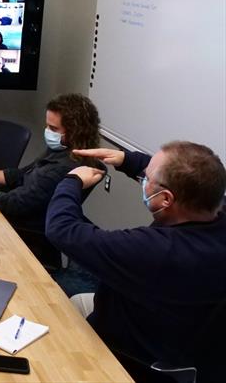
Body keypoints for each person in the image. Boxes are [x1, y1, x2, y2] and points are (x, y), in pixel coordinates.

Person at [45, 142, 226, 380]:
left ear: (166, 199)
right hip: (180, 331)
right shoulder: (213, 214)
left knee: (51, 321)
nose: (143, 179)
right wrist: (126, 159)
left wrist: (72, 181)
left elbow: (61, 229)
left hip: (130, 353)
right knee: (79, 300)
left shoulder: (156, 250)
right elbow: (190, 178)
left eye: (146, 178)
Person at [0, 94, 101, 235]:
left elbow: (11, 204)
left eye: (53, 128)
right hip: (12, 208)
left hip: (20, 226)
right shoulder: (62, 150)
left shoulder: (63, 169)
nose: (47, 131)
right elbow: (18, 175)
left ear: (75, 132)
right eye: (47, 126)